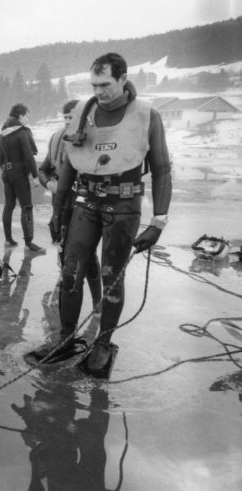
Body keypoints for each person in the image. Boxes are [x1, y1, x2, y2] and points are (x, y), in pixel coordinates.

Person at [51, 52, 172, 377]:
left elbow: (161, 169)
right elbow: (68, 166)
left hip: (123, 207)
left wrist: (158, 221)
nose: (99, 91)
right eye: (94, 84)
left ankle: (102, 343)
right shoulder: (82, 113)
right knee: (70, 272)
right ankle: (64, 339)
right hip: (85, 203)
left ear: (122, 79)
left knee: (112, 277)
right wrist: (58, 209)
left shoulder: (147, 114)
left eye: (105, 84)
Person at [38, 100, 102, 310]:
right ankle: (65, 292)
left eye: (71, 118)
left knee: (89, 254)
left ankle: (96, 302)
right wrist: (50, 183)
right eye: (65, 118)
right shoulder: (57, 138)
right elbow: (43, 169)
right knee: (64, 250)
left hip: (84, 205)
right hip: (61, 204)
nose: (68, 122)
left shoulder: (90, 138)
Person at [0, 103, 45, 252]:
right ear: (20, 116)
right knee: (26, 207)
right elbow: (29, 156)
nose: (27, 119)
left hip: (6, 173)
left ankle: (8, 239)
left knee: (9, 206)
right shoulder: (22, 132)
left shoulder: (2, 133)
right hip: (19, 174)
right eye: (26, 115)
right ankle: (29, 243)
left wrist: (7, 171)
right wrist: (35, 176)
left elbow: (0, 157)